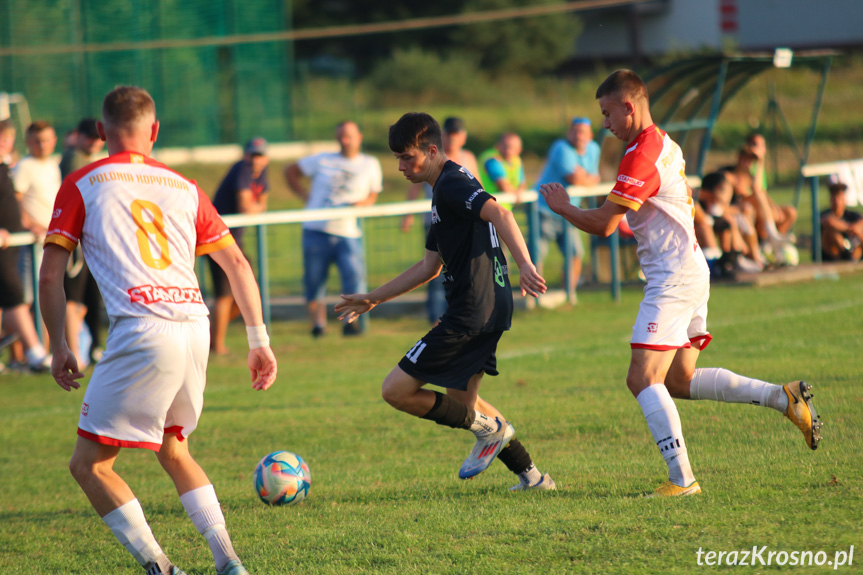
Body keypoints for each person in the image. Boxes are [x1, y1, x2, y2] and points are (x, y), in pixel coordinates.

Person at [540, 70, 822, 497]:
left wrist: (563, 206)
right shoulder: (661, 141)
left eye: (607, 113)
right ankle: (783, 397)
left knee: (642, 379)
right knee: (679, 380)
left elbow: (603, 224)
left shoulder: (642, 154)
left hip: (672, 278)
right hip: (688, 270)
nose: (604, 124)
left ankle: (682, 479)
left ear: (628, 107)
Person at [39, 86, 277, 575]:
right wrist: (259, 341)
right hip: (195, 326)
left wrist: (59, 344)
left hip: (143, 329)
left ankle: (161, 568)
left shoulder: (83, 181)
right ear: (155, 130)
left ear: (101, 132)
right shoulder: (185, 186)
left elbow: (49, 273)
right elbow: (236, 263)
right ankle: (228, 560)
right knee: (174, 449)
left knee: (90, 465)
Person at [336, 113, 554, 491]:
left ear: (432, 150)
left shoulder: (452, 183)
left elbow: (500, 212)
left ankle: (491, 431)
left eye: (407, 157)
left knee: (396, 391)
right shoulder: (444, 189)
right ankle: (533, 478)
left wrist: (526, 263)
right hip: (490, 306)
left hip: (472, 309)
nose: (402, 167)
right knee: (464, 401)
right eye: (397, 159)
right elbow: (428, 267)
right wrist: (374, 298)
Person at [285, 121, 381, 337]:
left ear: (359, 137)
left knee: (353, 279)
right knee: (314, 279)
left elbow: (373, 194)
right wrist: (305, 196)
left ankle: (350, 323)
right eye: (341, 137)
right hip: (316, 229)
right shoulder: (322, 159)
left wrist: (362, 205)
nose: (345, 141)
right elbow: (290, 171)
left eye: (349, 136)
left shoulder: (370, 163)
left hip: (348, 231)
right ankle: (317, 326)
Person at [402, 116, 480, 324]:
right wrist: (408, 215)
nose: (452, 138)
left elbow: (478, 189)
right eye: (449, 133)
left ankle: (460, 314)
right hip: (435, 222)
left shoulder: (468, 158)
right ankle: (436, 317)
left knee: (461, 269)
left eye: (456, 134)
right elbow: (415, 186)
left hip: (463, 225)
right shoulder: (432, 157)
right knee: (434, 270)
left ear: (463, 137)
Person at [208, 137, 269, 354]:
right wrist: (257, 207)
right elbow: (247, 206)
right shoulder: (242, 169)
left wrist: (257, 206)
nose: (256, 160)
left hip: (233, 240)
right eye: (252, 155)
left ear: (267, 157)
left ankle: (211, 335)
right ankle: (217, 345)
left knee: (247, 291)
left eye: (260, 155)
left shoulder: (261, 172)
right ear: (245, 155)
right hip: (217, 240)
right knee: (225, 295)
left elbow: (262, 203)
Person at [534, 117, 601, 302]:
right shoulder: (560, 148)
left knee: (575, 254)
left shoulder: (594, 148)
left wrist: (585, 178)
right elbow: (575, 179)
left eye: (583, 132)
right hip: (544, 209)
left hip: (568, 211)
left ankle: (568, 296)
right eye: (575, 131)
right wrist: (585, 178)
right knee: (536, 256)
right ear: (569, 133)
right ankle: (535, 298)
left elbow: (595, 177)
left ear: (590, 135)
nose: (579, 136)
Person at [0, 138, 53, 372]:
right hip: (7, 245)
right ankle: (34, 352)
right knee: (15, 296)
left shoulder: (5, 167)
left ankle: (33, 352)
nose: (7, 146)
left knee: (11, 297)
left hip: (11, 245)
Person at [60, 118, 107, 365]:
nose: (95, 142)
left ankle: (92, 347)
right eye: (90, 137)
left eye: (97, 137)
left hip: (86, 238)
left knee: (89, 298)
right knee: (74, 298)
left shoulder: (88, 158)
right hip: (75, 239)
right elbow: (77, 199)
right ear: (78, 136)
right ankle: (76, 352)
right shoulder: (74, 158)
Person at [478, 132, 527, 209]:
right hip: (488, 207)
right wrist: (517, 194)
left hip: (504, 207)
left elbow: (522, 184)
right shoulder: (492, 159)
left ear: (519, 150)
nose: (508, 151)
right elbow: (502, 185)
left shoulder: (516, 160)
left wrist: (519, 192)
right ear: (498, 145)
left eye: (512, 147)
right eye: (505, 146)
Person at [821, 182, 863, 261]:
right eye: (834, 197)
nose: (837, 201)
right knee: (830, 232)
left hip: (853, 247)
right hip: (835, 252)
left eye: (839, 197)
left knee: (860, 232)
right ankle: (846, 255)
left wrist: (857, 228)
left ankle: (852, 258)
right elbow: (828, 221)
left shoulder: (851, 215)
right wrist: (850, 228)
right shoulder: (826, 214)